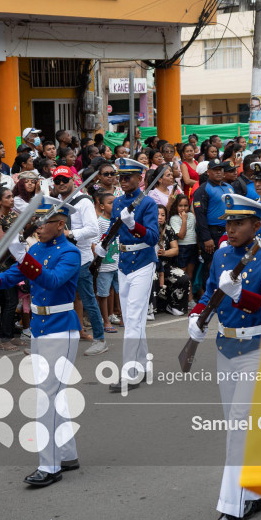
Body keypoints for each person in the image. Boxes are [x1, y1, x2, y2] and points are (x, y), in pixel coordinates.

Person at [188, 194, 261, 520]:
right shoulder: (222, 255)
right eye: (228, 223)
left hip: (256, 350)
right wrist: (197, 316)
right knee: (237, 427)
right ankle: (253, 494)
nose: (231, 229)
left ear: (256, 225)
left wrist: (241, 295)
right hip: (226, 347)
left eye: (239, 223)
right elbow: (211, 292)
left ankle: (231, 509)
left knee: (239, 426)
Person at [0, 195, 81, 487]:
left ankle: (49, 465)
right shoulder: (37, 249)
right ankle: (67, 454)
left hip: (60, 328)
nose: (38, 226)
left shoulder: (70, 253)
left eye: (44, 221)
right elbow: (12, 276)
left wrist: (22, 256)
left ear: (60, 224)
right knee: (54, 394)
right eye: (36, 221)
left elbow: (51, 280)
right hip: (40, 327)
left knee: (46, 397)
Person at [94, 158, 158, 392]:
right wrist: (103, 245)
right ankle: (143, 366)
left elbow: (153, 238)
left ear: (140, 178)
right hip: (123, 263)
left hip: (142, 262)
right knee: (133, 319)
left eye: (127, 177)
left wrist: (134, 226)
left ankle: (130, 374)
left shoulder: (148, 203)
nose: (122, 180)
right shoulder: (119, 201)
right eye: (121, 176)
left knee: (133, 319)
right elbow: (113, 229)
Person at [52, 166, 105, 355]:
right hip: (60, 259)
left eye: (64, 180)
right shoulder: (55, 202)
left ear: (72, 180)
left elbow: (93, 230)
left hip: (80, 259)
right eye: (57, 181)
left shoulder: (84, 202)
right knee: (59, 300)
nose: (61, 184)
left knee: (88, 299)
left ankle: (100, 339)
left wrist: (70, 233)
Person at [0, 187, 22, 350]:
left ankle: (9, 333)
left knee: (11, 300)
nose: (11, 199)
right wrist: (16, 247)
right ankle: (5, 338)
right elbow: (2, 240)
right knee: (10, 300)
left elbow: (21, 236)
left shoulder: (15, 215)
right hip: (3, 263)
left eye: (12, 196)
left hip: (15, 260)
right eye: (7, 197)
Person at [194, 159, 235, 281]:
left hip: (229, 230)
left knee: (228, 262)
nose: (218, 172)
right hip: (213, 233)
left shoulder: (229, 187)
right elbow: (200, 216)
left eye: (220, 169)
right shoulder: (203, 189)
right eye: (215, 170)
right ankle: (208, 291)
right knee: (211, 264)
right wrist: (207, 238)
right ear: (208, 172)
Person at [154, 204, 190, 315]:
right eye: (157, 214)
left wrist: (165, 253)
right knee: (153, 278)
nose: (160, 217)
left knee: (183, 277)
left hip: (165, 265)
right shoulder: (147, 228)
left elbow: (175, 250)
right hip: (150, 265)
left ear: (166, 217)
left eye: (163, 215)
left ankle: (174, 305)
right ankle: (150, 309)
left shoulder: (169, 230)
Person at [93, 192, 120, 333]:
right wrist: (97, 260)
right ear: (102, 206)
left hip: (118, 263)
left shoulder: (117, 220)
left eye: (115, 202)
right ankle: (105, 321)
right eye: (110, 203)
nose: (114, 205)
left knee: (120, 291)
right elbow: (94, 243)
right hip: (104, 265)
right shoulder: (99, 222)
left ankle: (121, 316)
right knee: (103, 294)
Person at [168, 193, 198, 296]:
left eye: (185, 205)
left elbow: (195, 230)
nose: (183, 208)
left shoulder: (191, 215)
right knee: (182, 275)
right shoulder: (174, 218)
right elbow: (181, 235)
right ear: (176, 206)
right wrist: (184, 220)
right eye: (180, 206)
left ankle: (190, 298)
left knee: (190, 275)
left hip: (193, 246)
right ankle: (181, 298)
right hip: (182, 247)